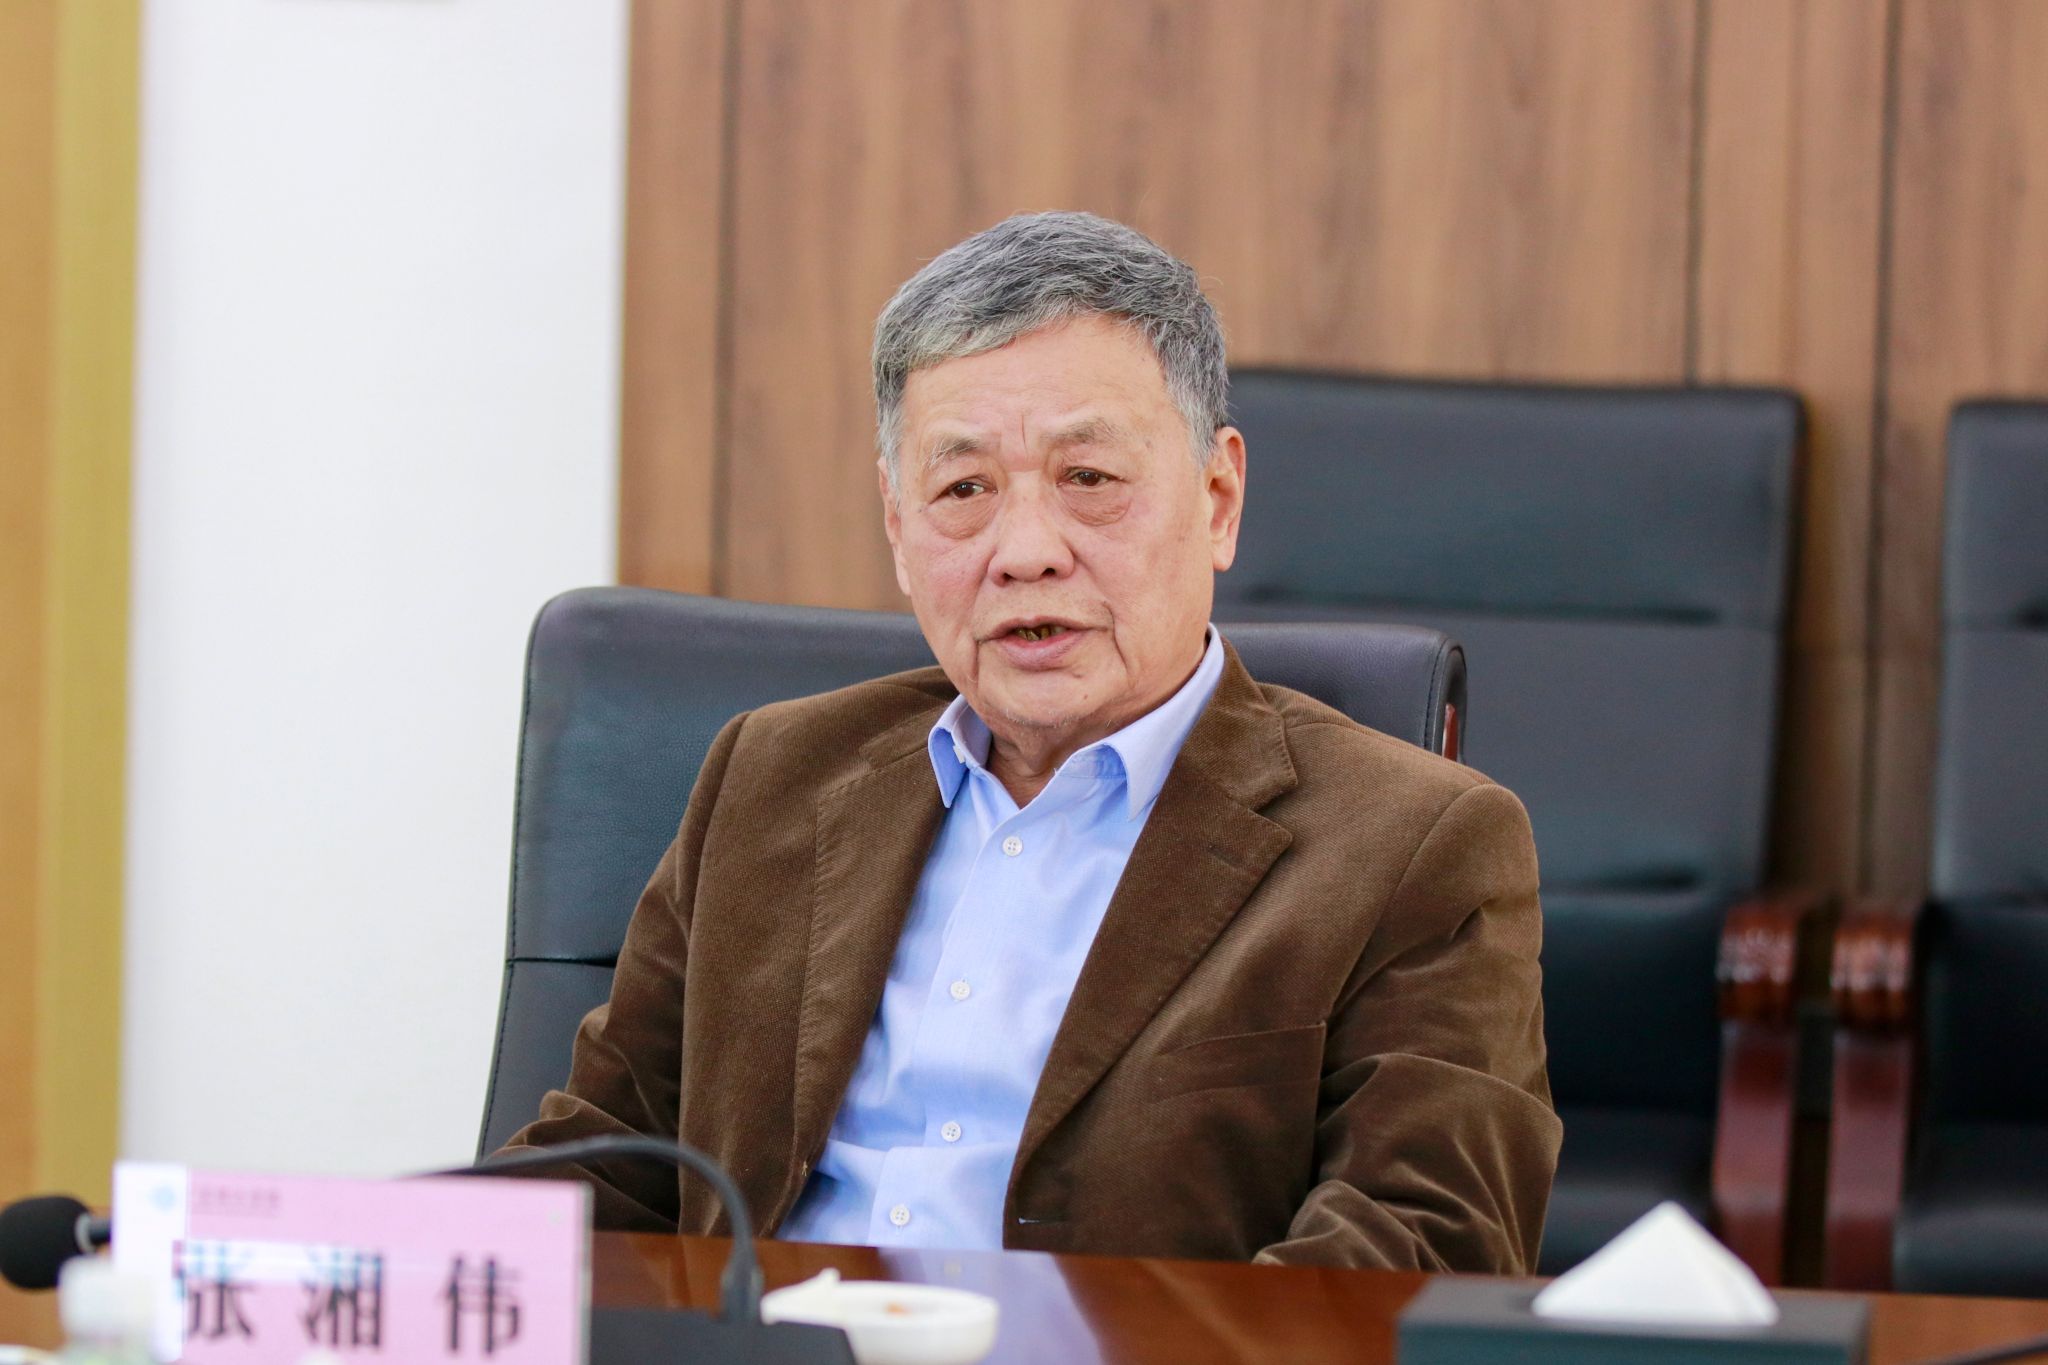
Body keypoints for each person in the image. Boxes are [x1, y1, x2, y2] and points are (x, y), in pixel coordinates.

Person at [496, 211, 1560, 1271]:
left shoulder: (1414, 844)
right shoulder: (771, 776)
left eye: (1087, 478)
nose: (1024, 552)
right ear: (898, 527)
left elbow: (1418, 1249)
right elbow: (604, 1163)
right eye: (962, 490)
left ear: (1217, 499)